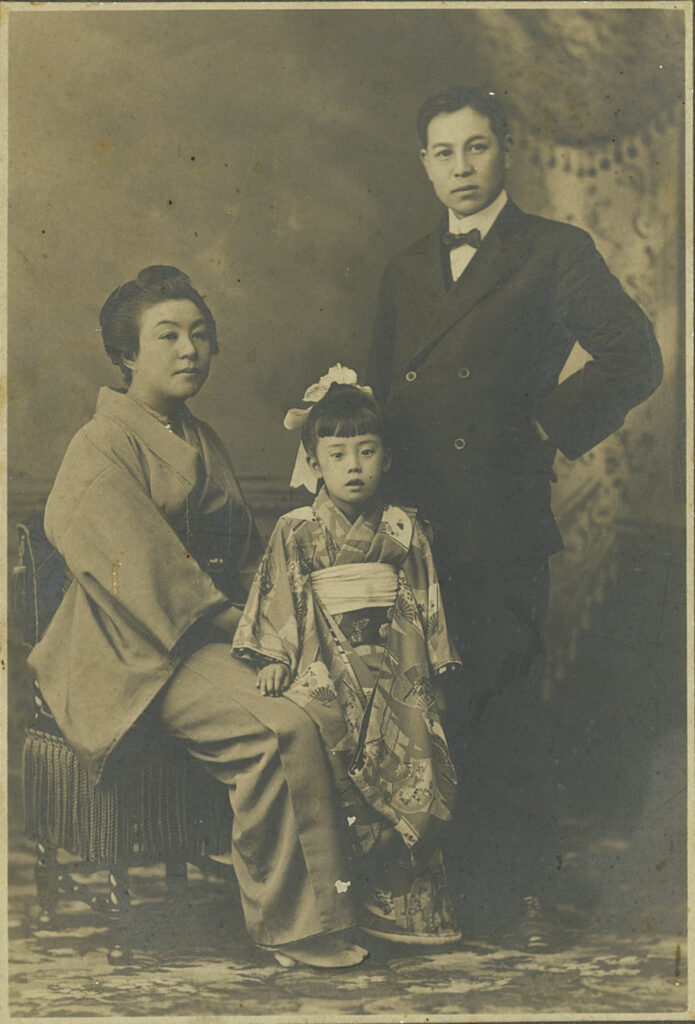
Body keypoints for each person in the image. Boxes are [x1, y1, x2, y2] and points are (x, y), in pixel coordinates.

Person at [367, 85, 663, 948]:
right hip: (411, 518)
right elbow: (382, 392)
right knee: (420, 702)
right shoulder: (404, 269)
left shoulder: (554, 251)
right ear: (423, 165)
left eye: (477, 147)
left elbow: (634, 355)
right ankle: (431, 889)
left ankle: (520, 893)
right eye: (443, 153)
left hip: (498, 516)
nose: (461, 168)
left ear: (506, 151)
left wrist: (544, 425)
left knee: (503, 701)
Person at [27, 266, 368, 969]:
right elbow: (141, 569)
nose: (189, 349)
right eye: (168, 336)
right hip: (131, 650)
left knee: (333, 695)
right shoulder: (100, 444)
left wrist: (280, 626)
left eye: (200, 334)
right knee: (279, 727)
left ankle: (356, 903)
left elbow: (246, 554)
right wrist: (242, 627)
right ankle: (293, 927)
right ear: (127, 353)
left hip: (208, 635)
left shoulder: (199, 436)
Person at [232, 366, 462, 945]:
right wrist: (275, 657)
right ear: (314, 463)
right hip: (326, 663)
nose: (353, 466)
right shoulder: (296, 529)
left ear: (387, 456)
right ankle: (348, 903)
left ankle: (408, 907)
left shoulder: (405, 527)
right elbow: (280, 595)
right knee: (332, 765)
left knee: (412, 763)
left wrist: (435, 668)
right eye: (337, 455)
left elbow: (426, 599)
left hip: (397, 662)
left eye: (367, 451)